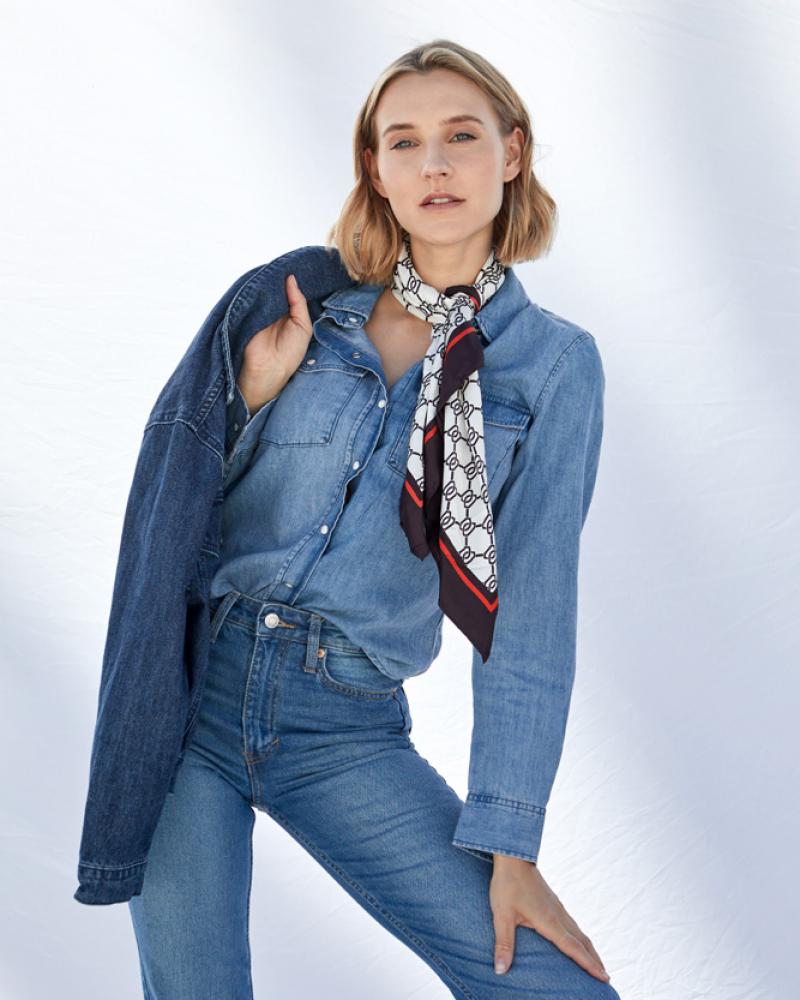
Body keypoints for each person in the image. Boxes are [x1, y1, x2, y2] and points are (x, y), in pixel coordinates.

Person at [112, 38, 618, 999]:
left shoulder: (552, 366)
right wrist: (252, 397)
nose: (435, 165)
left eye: (461, 136)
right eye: (405, 141)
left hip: (341, 724)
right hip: (190, 699)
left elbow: (531, 617)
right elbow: (185, 504)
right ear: (376, 170)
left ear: (512, 152)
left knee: (553, 988)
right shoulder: (306, 313)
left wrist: (510, 844)